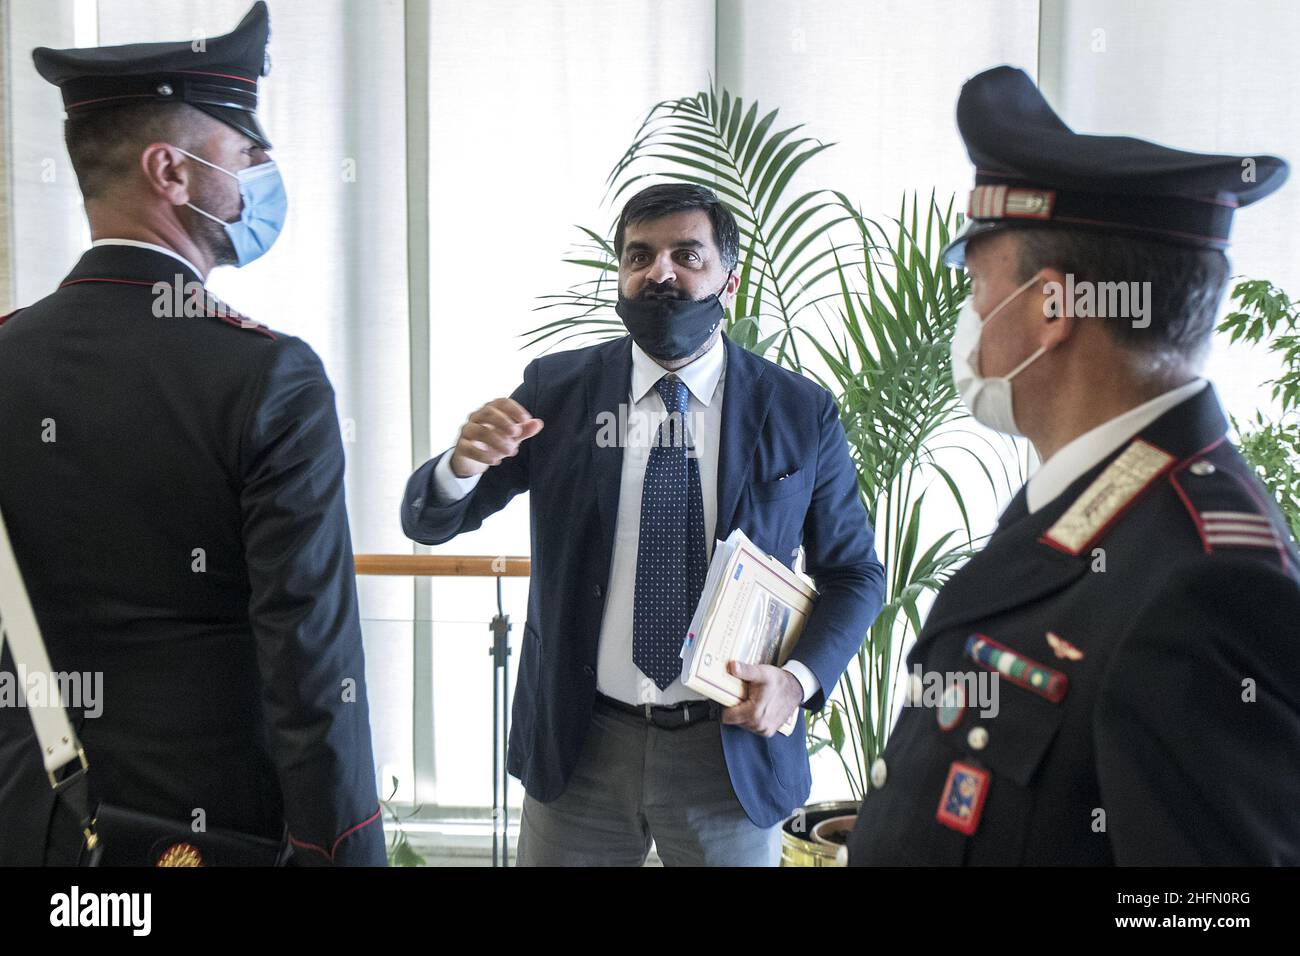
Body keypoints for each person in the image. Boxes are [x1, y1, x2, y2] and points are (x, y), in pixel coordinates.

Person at [846, 66, 1300, 865]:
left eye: (978, 285)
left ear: (1054, 309)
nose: (971, 318)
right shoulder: (1085, 501)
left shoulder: (1205, 583)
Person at [0, 2, 385, 866]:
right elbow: (313, 668)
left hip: (33, 819)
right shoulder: (265, 376)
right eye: (247, 150)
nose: (264, 169)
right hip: (209, 836)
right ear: (170, 171)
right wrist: (345, 850)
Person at [402, 183, 885, 866]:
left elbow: (854, 573)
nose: (659, 272)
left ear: (730, 282)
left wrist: (799, 680)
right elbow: (431, 522)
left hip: (728, 753)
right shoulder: (557, 390)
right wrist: (461, 464)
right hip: (581, 746)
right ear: (622, 278)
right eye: (639, 256)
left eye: (687, 254)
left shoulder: (799, 411)